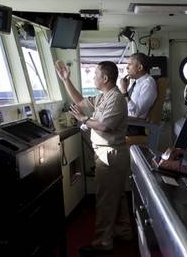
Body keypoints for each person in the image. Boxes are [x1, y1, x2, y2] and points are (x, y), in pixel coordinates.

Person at [55, 60, 132, 255]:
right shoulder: (104, 97)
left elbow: (105, 126)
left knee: (105, 200)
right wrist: (66, 80)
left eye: (95, 75)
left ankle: (102, 243)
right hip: (107, 153)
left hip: (111, 154)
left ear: (105, 78)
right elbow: (81, 102)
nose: (93, 77)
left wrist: (84, 120)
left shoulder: (116, 99)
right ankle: (123, 231)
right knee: (117, 195)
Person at [119, 52, 157, 135]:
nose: (127, 67)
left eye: (130, 64)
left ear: (140, 67)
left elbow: (135, 113)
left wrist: (124, 91)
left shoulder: (148, 83)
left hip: (135, 126)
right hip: (128, 122)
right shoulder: (136, 83)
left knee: (105, 128)